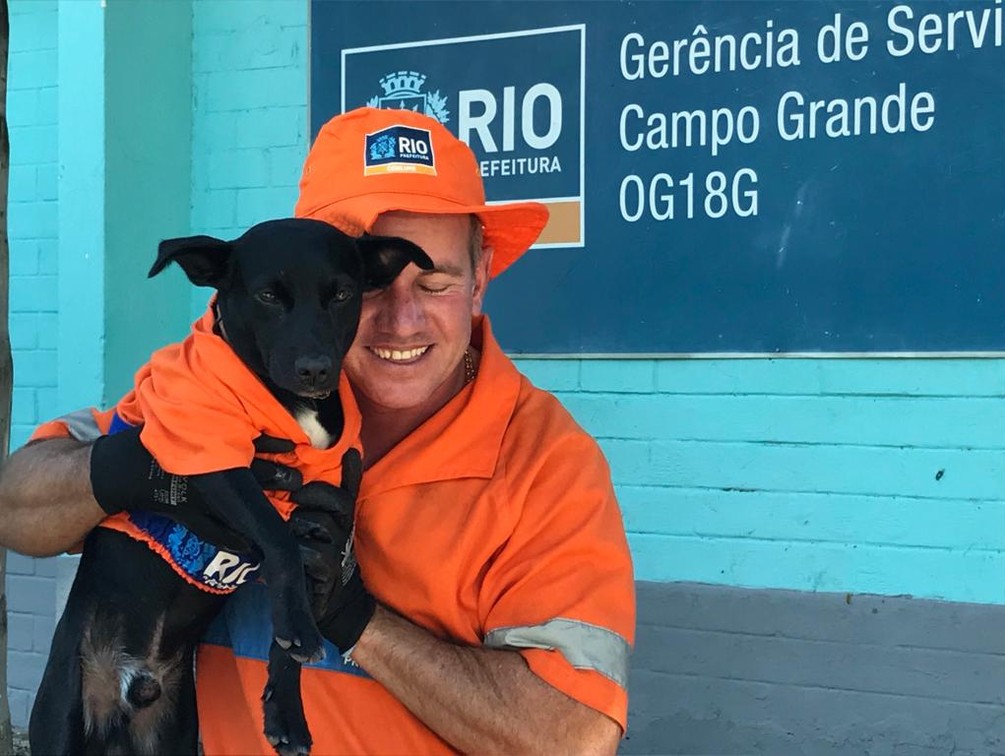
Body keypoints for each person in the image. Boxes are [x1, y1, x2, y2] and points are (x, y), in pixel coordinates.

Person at [0, 107, 635, 754]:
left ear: (479, 283)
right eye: (363, 288)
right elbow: (17, 506)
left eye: (436, 282)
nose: (401, 319)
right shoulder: (218, 389)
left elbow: (572, 738)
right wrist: (142, 468)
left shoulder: (546, 463)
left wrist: (357, 619)